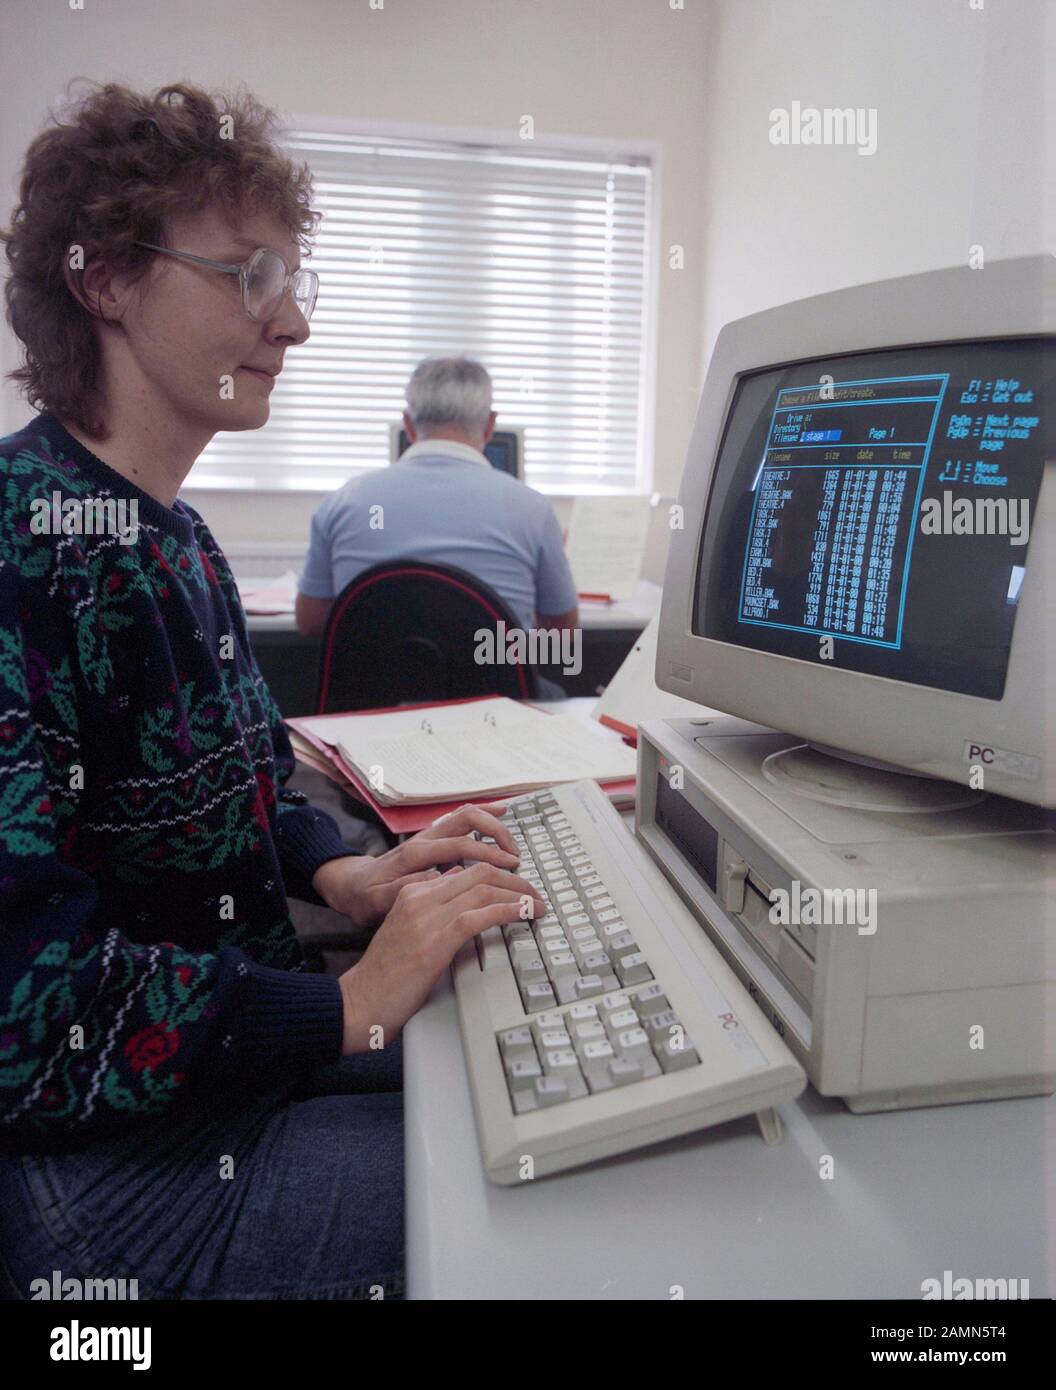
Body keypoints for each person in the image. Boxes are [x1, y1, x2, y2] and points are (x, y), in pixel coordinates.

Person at [0, 81, 544, 1300]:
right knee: (552, 1202)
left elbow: (251, 778)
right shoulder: (16, 554)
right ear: (103, 280)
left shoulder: (175, 540)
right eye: (250, 276)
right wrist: (350, 1002)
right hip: (101, 1194)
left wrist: (341, 872)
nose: (291, 323)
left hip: (220, 1073)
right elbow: (24, 1019)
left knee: (534, 1075)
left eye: (294, 281)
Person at [295, 356, 579, 646]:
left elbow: (310, 621)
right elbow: (563, 637)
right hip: (496, 690)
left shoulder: (344, 503)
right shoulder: (533, 510)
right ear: (490, 424)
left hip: (372, 690)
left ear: (408, 423)